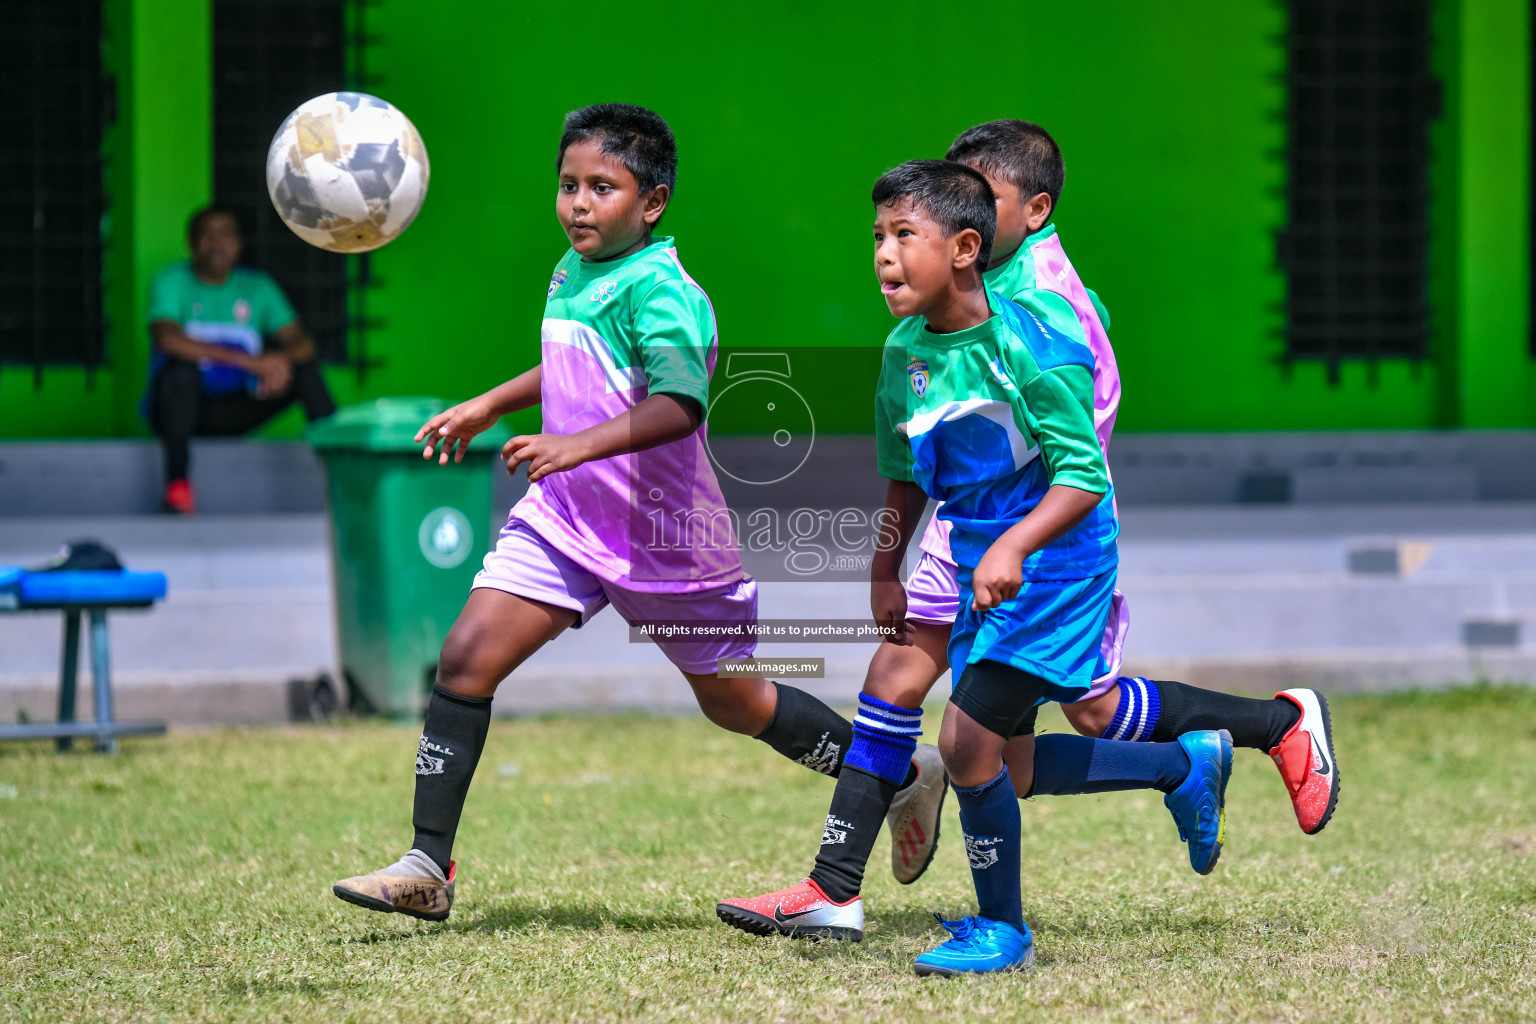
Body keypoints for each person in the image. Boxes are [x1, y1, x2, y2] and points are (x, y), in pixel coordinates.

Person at [717, 123, 1339, 946]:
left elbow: (1082, 453)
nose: (890, 251)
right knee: (1013, 748)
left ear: (1016, 218)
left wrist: (1013, 538)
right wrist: (887, 563)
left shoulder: (1041, 314)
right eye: (884, 233)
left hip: (1043, 546)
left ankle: (936, 911)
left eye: (918, 228)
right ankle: (1193, 760)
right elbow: (908, 459)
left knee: (971, 726)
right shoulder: (916, 336)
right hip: (976, 535)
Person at [329, 103, 945, 923]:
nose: (578, 204)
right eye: (568, 185)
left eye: (601, 188)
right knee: (466, 657)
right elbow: (570, 360)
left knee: (736, 702)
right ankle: (427, 865)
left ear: (651, 203)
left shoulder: (668, 293)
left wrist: (573, 445)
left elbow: (681, 404)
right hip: (565, 522)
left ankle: (900, 775)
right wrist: (491, 403)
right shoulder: (569, 270)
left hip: (665, 540)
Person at [145, 207, 336, 514]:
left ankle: (340, 469)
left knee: (304, 371)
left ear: (239, 243)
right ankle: (177, 488)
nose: (216, 242)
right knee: (178, 372)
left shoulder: (257, 287)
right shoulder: (172, 281)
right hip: (180, 411)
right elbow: (166, 339)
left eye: (225, 233)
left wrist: (277, 361)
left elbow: (303, 345)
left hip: (236, 407)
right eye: (207, 234)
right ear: (190, 243)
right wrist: (251, 362)